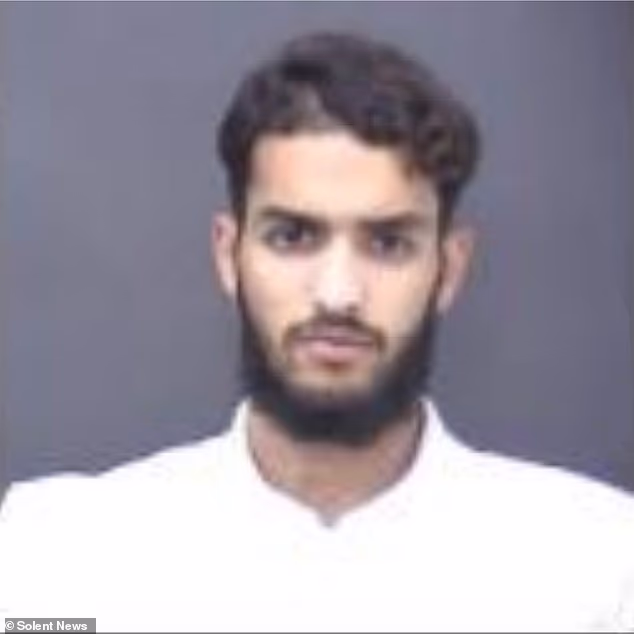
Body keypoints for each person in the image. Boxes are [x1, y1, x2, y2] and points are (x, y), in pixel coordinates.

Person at [1, 31, 633, 632]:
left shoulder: (598, 573)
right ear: (228, 255)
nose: (338, 293)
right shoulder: (60, 559)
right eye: (293, 236)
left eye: (388, 243)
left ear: (449, 268)